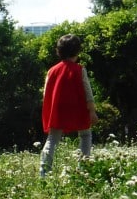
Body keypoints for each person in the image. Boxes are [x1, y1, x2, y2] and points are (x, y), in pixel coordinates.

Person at [39, 34, 99, 177]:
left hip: (58, 108)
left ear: (59, 51)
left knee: (53, 139)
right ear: (78, 51)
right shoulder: (79, 69)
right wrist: (92, 111)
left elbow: (46, 93)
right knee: (85, 135)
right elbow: (87, 92)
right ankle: (84, 169)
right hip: (77, 107)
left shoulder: (52, 70)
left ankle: (44, 171)